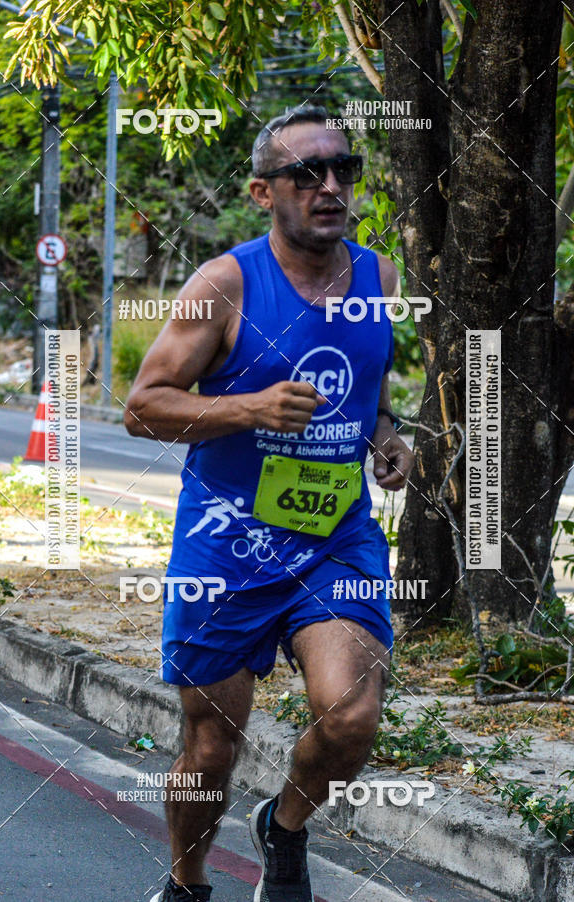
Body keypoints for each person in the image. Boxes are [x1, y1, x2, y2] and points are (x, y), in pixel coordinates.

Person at [124, 105, 415, 902]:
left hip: (332, 539)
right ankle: (187, 884)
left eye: (343, 170)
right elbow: (143, 405)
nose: (330, 187)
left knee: (351, 717)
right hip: (226, 545)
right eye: (305, 173)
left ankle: (283, 829)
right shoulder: (224, 284)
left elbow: (364, 385)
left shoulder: (379, 278)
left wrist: (384, 434)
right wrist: (248, 408)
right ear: (263, 190)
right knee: (213, 744)